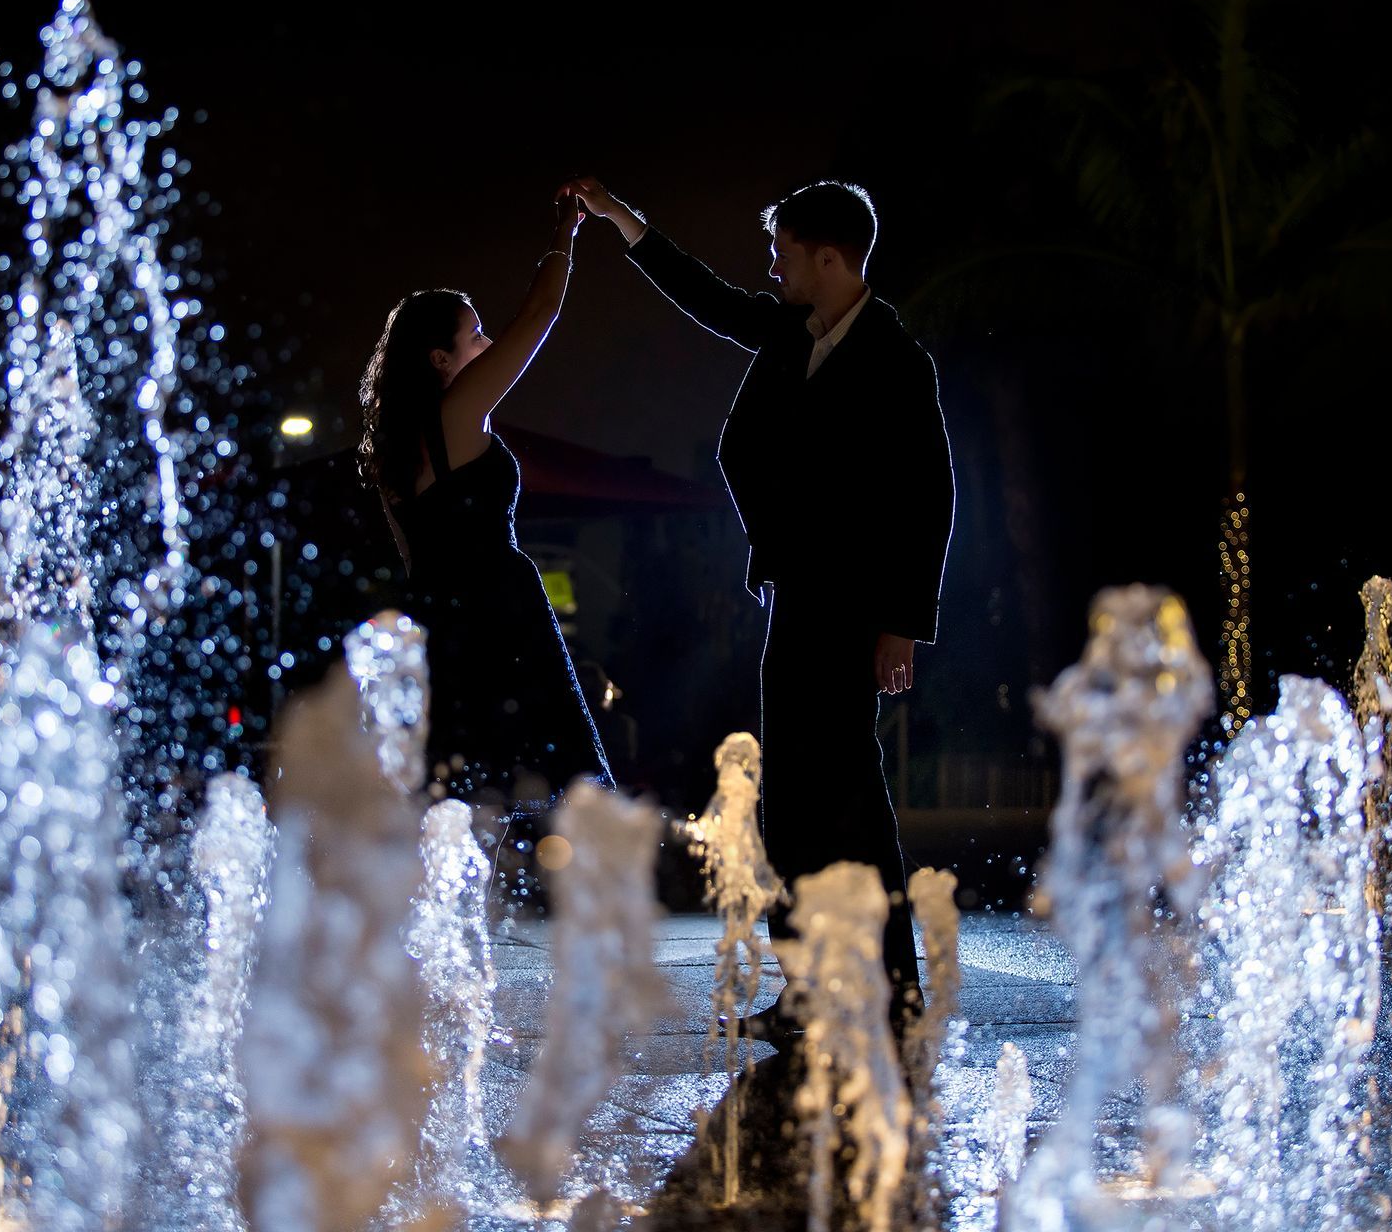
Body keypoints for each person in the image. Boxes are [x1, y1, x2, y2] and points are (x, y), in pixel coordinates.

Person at [567, 176, 955, 1039]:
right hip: (796, 592)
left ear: (828, 256)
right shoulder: (792, 330)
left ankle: (888, 990)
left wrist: (903, 622)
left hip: (852, 606)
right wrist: (629, 222)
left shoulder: (895, 359)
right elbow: (706, 297)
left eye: (784, 250)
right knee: (796, 803)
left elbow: (929, 496)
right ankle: (812, 985)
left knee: (847, 796)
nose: (771, 263)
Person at [356, 193, 612, 886]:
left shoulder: (394, 454)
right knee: (549, 786)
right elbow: (541, 316)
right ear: (440, 359)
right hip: (501, 617)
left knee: (466, 795)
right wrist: (563, 233)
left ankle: (449, 950)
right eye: (474, 336)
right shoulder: (458, 413)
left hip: (442, 624)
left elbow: (414, 561)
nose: (488, 342)